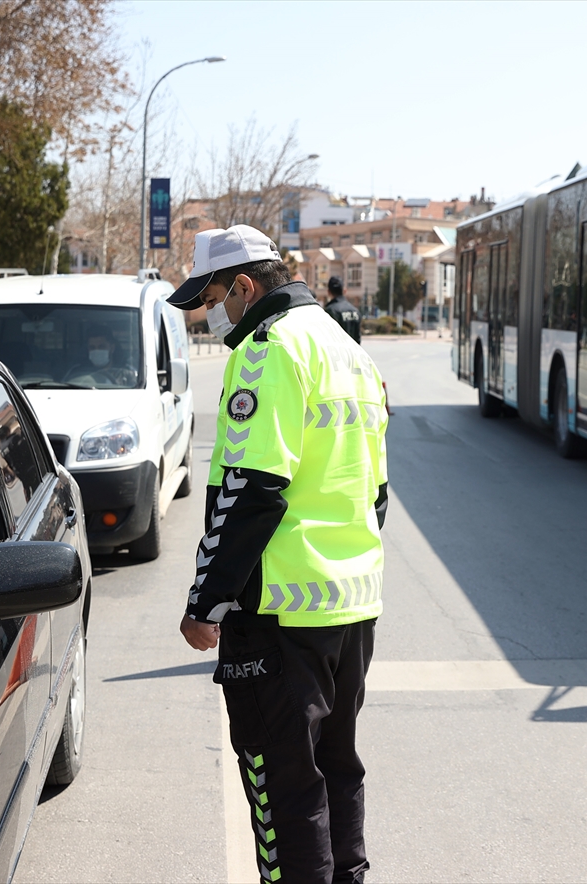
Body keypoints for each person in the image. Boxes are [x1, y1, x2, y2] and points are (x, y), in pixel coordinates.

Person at [168, 225, 389, 884]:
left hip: (278, 620)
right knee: (336, 775)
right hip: (351, 610)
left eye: (210, 298)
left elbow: (252, 490)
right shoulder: (346, 349)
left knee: (283, 801)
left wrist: (205, 600)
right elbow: (376, 493)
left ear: (243, 286)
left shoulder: (267, 352)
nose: (209, 315)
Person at [64, 324, 136, 387]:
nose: (96, 350)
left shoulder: (127, 374)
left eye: (101, 347)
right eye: (92, 347)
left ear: (112, 348)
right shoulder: (76, 372)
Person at [325, 275, 363, 343]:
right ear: (344, 290)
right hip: (354, 352)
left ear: (328, 292)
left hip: (337, 352)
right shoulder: (355, 311)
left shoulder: (330, 311)